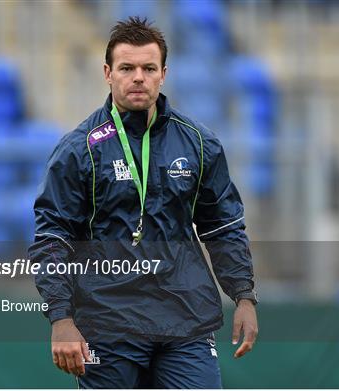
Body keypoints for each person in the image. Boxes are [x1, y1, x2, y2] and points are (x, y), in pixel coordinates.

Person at [29, 16, 258, 389]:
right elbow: (53, 238)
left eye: (148, 68)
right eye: (127, 68)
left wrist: (244, 295)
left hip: (184, 319)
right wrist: (60, 318)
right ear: (108, 73)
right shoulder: (78, 150)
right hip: (107, 322)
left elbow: (223, 227)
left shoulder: (199, 144)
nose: (138, 77)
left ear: (163, 73)